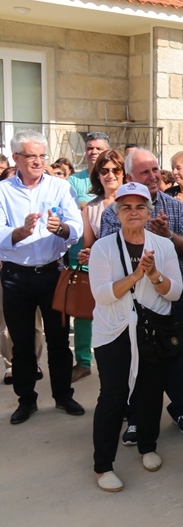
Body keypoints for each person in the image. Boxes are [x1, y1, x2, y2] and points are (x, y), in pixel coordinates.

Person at [100, 149, 183, 435]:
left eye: (155, 169)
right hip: (133, 301)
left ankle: (182, 410)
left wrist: (168, 237)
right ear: (130, 177)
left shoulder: (176, 207)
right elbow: (108, 253)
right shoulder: (112, 213)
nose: (154, 176)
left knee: (180, 355)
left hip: (171, 295)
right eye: (145, 172)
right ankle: (135, 418)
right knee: (137, 359)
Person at [89, 182, 183, 491]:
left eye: (140, 206)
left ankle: (148, 446)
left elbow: (174, 292)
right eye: (126, 207)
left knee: (150, 390)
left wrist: (154, 274)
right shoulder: (103, 247)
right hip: (114, 331)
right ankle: (103, 466)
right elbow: (103, 295)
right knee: (113, 395)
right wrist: (135, 275)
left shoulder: (163, 245)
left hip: (151, 330)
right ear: (117, 213)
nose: (134, 212)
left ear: (149, 211)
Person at [0, 130, 85, 424]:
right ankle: (26, 400)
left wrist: (61, 228)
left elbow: (76, 225)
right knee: (22, 343)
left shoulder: (59, 187)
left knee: (59, 341)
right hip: (15, 277)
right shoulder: (3, 190)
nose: (38, 162)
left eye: (41, 156)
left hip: (52, 274)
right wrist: (17, 233)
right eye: (31, 156)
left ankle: (63, 395)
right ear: (16, 158)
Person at [74, 149, 127, 381]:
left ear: (124, 173)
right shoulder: (91, 207)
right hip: (105, 279)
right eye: (104, 170)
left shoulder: (133, 201)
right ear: (97, 175)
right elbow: (89, 244)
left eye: (116, 169)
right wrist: (88, 254)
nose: (110, 174)